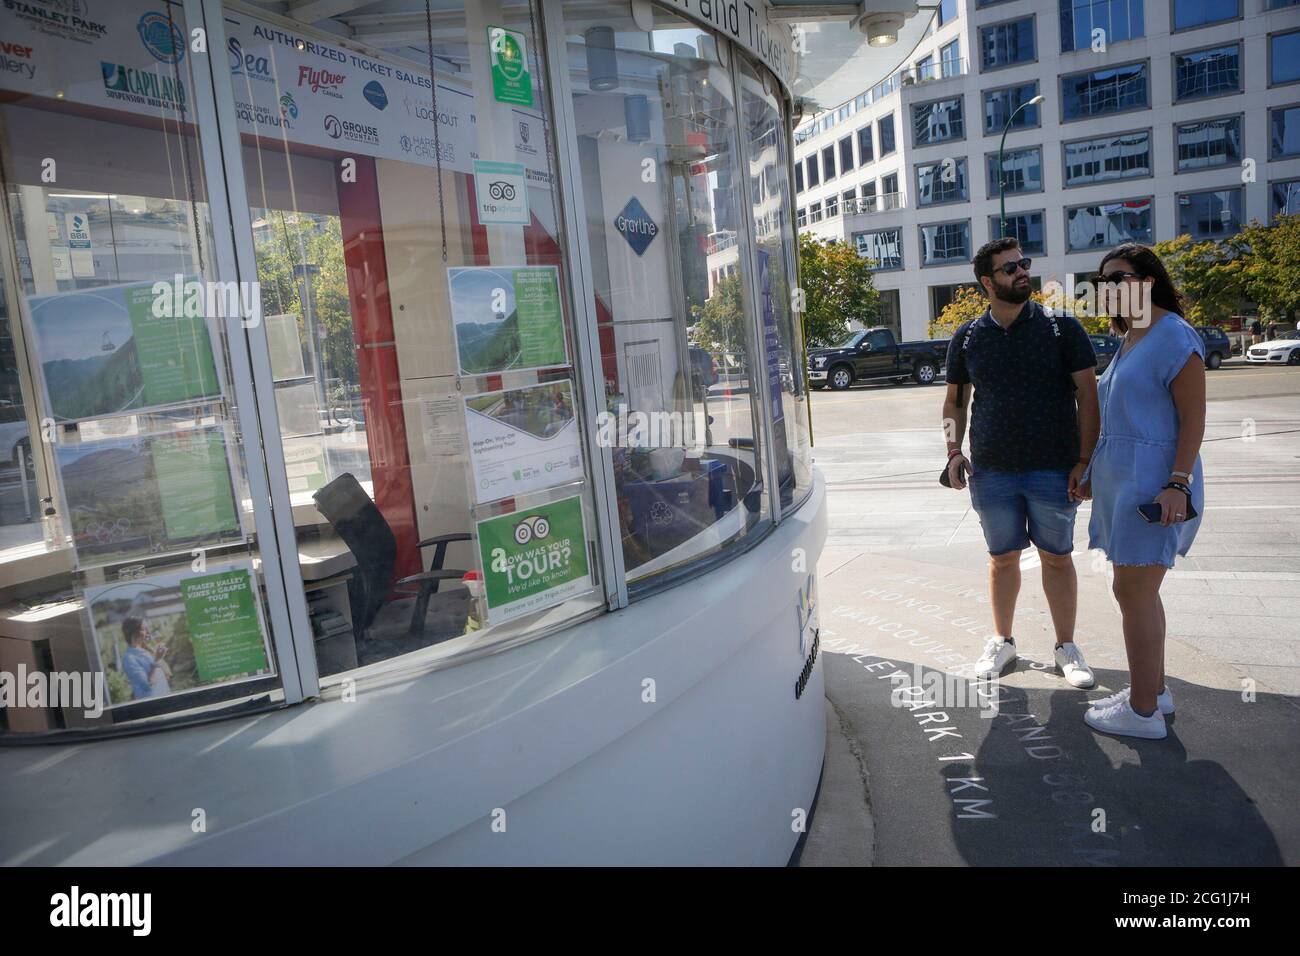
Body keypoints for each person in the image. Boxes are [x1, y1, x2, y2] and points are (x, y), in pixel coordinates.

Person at [943, 238, 1100, 686]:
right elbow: (954, 403)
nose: (1021, 272)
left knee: (1057, 557)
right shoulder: (968, 336)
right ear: (987, 281)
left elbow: (1088, 397)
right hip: (991, 470)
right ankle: (1003, 642)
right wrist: (953, 452)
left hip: (1053, 467)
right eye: (1010, 267)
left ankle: (1066, 647)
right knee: (1002, 558)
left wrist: (1085, 459)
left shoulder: (1061, 328)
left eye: (1023, 263)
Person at [1080, 243, 1206, 740]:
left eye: (1119, 278)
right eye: (1102, 282)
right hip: (1123, 484)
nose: (1108, 289)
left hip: (1154, 486)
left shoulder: (1175, 336)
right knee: (1140, 592)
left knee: (1132, 591)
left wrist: (1178, 483)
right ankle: (1154, 691)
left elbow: (1193, 419)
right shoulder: (1131, 339)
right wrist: (1090, 469)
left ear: (1148, 281)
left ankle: (1142, 711)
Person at [120, 616, 170, 700]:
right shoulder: (129, 658)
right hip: (152, 703)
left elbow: (161, 675)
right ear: (134, 632)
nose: (147, 632)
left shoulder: (144, 650)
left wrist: (160, 657)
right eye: (144, 629)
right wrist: (157, 660)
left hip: (164, 696)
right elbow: (148, 685)